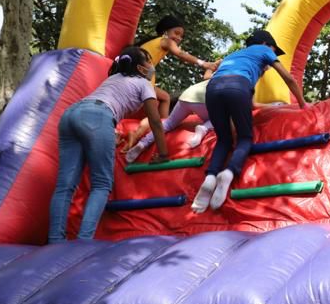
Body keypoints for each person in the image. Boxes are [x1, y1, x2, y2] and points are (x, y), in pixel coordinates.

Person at [48, 47, 169, 243]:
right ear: (139, 67)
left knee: (65, 185)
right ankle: (83, 241)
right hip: (97, 116)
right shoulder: (143, 82)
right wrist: (163, 152)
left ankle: (55, 241)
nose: (152, 66)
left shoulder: (113, 79)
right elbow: (155, 120)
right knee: (102, 184)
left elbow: (106, 103)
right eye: (149, 61)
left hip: (71, 115)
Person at [191, 30, 306, 213]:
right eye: (274, 51)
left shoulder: (236, 56)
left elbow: (249, 103)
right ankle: (229, 173)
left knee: (224, 139)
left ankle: (210, 177)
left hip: (212, 89)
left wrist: (272, 106)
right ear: (266, 45)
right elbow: (289, 78)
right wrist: (303, 104)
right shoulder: (263, 50)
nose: (273, 56)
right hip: (238, 87)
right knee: (245, 138)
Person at [127, 14, 219, 147]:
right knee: (153, 116)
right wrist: (204, 64)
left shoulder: (152, 43)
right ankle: (135, 134)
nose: (178, 38)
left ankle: (166, 124)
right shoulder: (165, 41)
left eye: (181, 36)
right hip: (144, 77)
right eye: (176, 33)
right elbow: (181, 54)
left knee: (164, 97)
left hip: (141, 74)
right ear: (165, 31)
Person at [126, 69, 217, 163]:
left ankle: (142, 144)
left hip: (187, 95)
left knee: (168, 123)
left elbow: (207, 75)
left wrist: (210, 67)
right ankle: (204, 128)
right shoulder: (231, 78)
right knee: (220, 118)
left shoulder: (220, 72)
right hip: (204, 99)